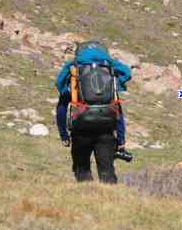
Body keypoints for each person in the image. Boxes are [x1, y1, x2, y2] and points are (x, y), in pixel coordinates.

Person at [55, 41, 131, 183]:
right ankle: (112, 202)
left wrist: (64, 134)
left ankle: (86, 200)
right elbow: (117, 109)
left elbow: (61, 108)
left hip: (81, 129)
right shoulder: (109, 71)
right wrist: (121, 140)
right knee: (107, 171)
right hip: (106, 129)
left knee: (81, 169)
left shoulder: (75, 71)